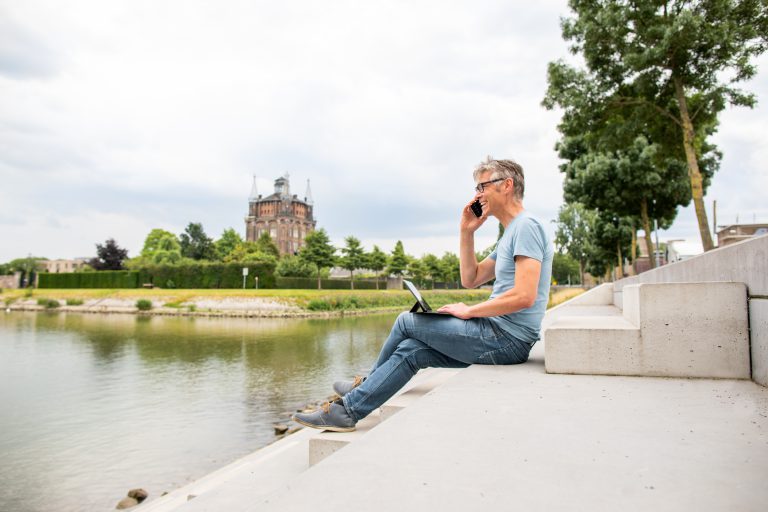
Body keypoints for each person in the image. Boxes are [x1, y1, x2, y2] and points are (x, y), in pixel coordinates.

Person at [293, 157, 553, 432]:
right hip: (499, 334)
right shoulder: (511, 233)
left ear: (507, 185)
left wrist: (469, 311)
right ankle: (349, 411)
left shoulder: (527, 226)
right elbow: (471, 278)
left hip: (507, 339)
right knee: (412, 351)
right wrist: (466, 231)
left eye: (482, 186)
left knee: (407, 322)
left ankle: (364, 386)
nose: (477, 195)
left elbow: (525, 296)